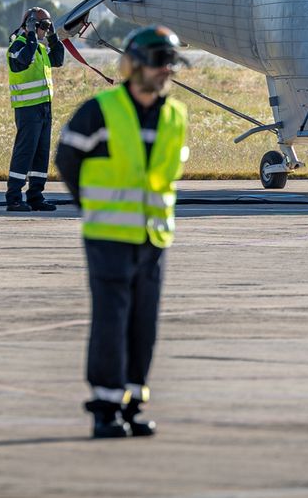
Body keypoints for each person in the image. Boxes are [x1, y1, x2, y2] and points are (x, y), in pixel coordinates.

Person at [56, 25, 190, 439]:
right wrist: (90, 206)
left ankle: (133, 401)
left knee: (143, 323)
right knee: (112, 320)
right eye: (157, 63)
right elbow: (68, 158)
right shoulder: (102, 110)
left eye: (169, 64)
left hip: (152, 238)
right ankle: (105, 406)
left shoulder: (174, 116)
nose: (165, 71)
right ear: (134, 66)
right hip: (109, 236)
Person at [5, 6, 66, 212]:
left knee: (41, 153)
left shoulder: (40, 48)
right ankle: (14, 197)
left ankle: (35, 195)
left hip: (44, 108)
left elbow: (58, 59)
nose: (45, 30)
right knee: (25, 152)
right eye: (44, 25)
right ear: (31, 24)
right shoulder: (18, 46)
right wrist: (31, 33)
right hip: (28, 109)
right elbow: (23, 60)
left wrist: (53, 35)